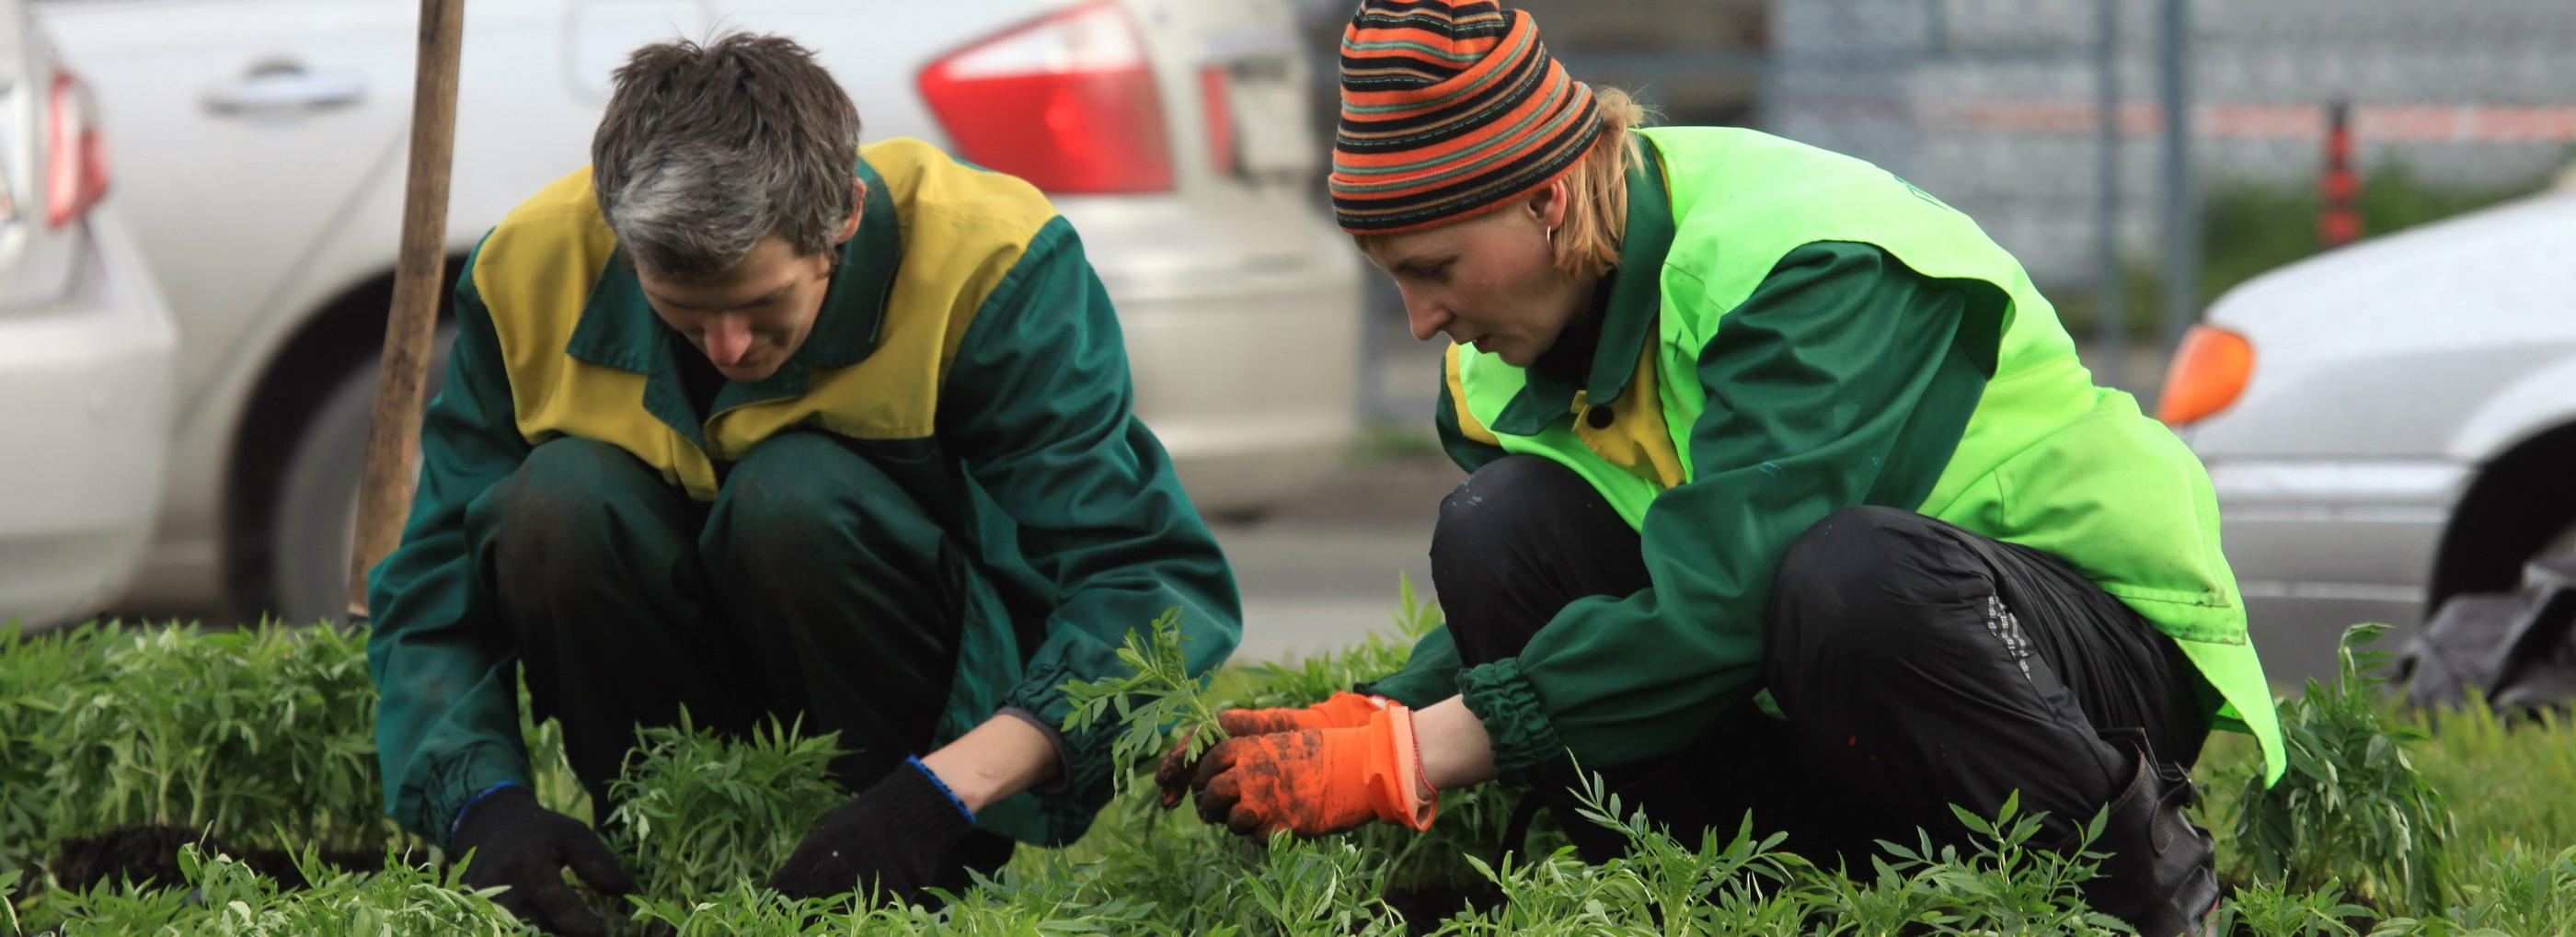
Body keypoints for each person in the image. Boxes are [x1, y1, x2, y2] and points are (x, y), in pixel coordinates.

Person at [1160, 3, 2282, 935]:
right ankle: (1734, 906)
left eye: (1435, 267)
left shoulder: (1803, 259)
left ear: (1546, 197)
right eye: (1393, 281)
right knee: (1497, 529)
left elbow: (1725, 597)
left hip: (2074, 657)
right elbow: (1610, 599)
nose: (1419, 321)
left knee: (1847, 576)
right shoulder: (1503, 361)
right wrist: (1370, 717)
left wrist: (1413, 750)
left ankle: (2141, 897)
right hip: (1833, 665)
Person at [365, 33, 1240, 935]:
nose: (729, 349)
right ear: (624, 245)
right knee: (555, 502)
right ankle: (660, 867)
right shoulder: (527, 269)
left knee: (794, 496)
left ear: (844, 218)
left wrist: (933, 799)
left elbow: (1149, 584)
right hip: (655, 692)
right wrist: (484, 811)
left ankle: (896, 886)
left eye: (763, 304)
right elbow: (433, 590)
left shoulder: (990, 263)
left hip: (915, 738)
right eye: (685, 311)